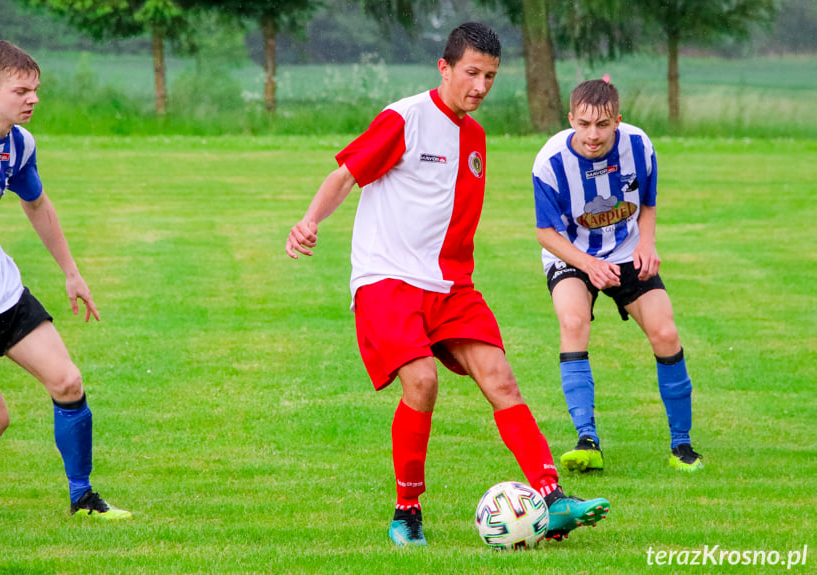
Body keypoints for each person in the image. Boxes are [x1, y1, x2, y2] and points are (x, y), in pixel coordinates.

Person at [287, 23, 609, 547]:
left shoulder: (476, 138)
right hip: (388, 278)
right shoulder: (405, 118)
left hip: (451, 285)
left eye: (490, 76)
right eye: (471, 73)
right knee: (422, 381)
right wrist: (310, 221)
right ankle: (407, 511)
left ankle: (551, 501)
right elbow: (347, 173)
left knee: (501, 379)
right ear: (445, 68)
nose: (480, 86)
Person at [0, 40, 131, 519]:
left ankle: (83, 497)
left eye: (36, 90)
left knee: (68, 382)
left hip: (1, 291)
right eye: (21, 90)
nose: (32, 99)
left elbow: (37, 205)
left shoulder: (18, 144)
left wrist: (72, 273)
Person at [532, 78, 704, 474]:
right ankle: (587, 439)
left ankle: (682, 445)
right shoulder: (549, 162)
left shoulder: (639, 146)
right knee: (573, 321)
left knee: (666, 333)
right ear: (571, 118)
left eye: (604, 125)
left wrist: (647, 243)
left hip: (627, 252)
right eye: (585, 124)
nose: (593, 135)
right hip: (572, 253)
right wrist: (589, 264)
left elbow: (647, 202)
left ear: (618, 121)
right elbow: (546, 232)